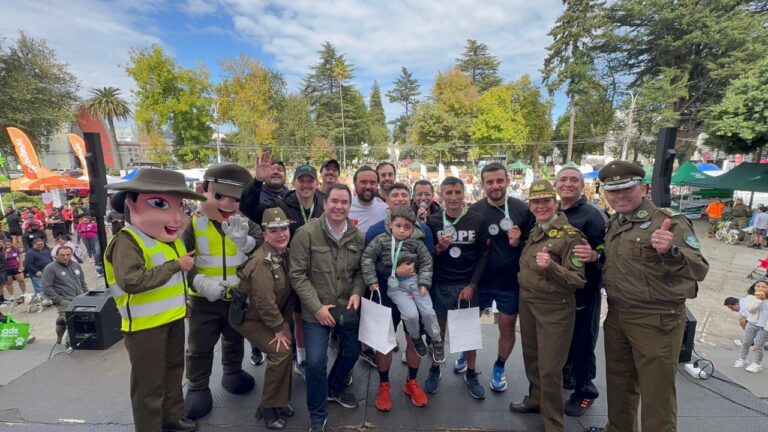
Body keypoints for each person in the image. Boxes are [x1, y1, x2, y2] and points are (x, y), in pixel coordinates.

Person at [586, 161, 709, 432]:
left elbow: (699, 268)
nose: (620, 196)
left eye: (627, 189)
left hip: (656, 321)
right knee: (620, 383)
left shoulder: (668, 221)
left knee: (657, 396)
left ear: (643, 188)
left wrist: (671, 251)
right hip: (618, 314)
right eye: (613, 191)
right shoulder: (616, 222)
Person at [104, 169, 204, 432]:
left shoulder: (168, 238)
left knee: (173, 373)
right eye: (160, 204)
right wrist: (175, 266)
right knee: (149, 383)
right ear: (130, 204)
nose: (175, 216)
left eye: (179, 206)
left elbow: (176, 280)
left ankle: (172, 417)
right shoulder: (127, 241)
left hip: (172, 318)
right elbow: (132, 281)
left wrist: (185, 304)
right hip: (144, 327)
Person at [182, 163, 262, 420]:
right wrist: (200, 282)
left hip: (236, 297)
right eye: (219, 196)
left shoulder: (245, 223)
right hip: (203, 299)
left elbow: (262, 246)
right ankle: (197, 387)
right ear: (204, 191)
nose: (228, 204)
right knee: (200, 346)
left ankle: (232, 371)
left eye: (235, 198)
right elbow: (178, 259)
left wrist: (246, 242)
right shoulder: (192, 224)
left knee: (234, 337)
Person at [509, 179, 586, 432]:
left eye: (546, 201)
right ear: (530, 205)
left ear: (555, 203)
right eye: (536, 202)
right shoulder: (536, 231)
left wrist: (551, 267)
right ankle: (535, 400)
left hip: (555, 307)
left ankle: (553, 422)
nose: (541, 206)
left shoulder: (570, 236)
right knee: (532, 358)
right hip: (528, 303)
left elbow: (577, 279)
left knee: (551, 367)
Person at [288, 183, 364, 432]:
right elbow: (297, 275)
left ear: (349, 206)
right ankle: (318, 414)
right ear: (324, 203)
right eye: (334, 201)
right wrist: (317, 308)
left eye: (344, 202)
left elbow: (360, 272)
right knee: (315, 363)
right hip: (315, 312)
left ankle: (334, 387)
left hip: (343, 309)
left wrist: (356, 292)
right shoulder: (306, 234)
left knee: (352, 352)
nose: (339, 206)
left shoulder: (356, 236)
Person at [241, 153, 325, 374]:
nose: (306, 185)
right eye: (301, 180)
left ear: (317, 184)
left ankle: (312, 354)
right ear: (294, 183)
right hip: (290, 270)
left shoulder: (324, 204)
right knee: (296, 315)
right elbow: (248, 208)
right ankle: (302, 359)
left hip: (317, 271)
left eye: (310, 181)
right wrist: (257, 181)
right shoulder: (280, 204)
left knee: (314, 314)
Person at [364, 183, 436, 411]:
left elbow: (428, 262)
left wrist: (422, 285)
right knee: (383, 343)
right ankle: (384, 385)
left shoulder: (423, 230)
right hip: (385, 294)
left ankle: (411, 382)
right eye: (395, 195)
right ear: (387, 200)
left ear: (410, 200)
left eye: (405, 195)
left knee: (414, 338)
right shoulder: (375, 231)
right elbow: (368, 264)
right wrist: (394, 272)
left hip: (412, 294)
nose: (400, 198)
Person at [468, 162, 534, 393]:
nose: (495, 186)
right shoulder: (474, 210)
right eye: (490, 182)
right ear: (482, 184)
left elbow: (535, 245)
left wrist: (519, 242)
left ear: (507, 181)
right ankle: (468, 362)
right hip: (481, 283)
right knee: (473, 325)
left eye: (499, 181)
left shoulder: (523, 209)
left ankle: (499, 365)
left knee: (506, 328)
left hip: (509, 284)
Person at [231, 208, 297, 430]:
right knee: (281, 352)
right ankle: (267, 408)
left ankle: (280, 402)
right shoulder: (262, 262)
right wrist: (280, 328)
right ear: (265, 233)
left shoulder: (283, 254)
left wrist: (285, 323)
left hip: (268, 317)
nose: (281, 234)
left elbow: (289, 294)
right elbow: (264, 302)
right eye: (274, 230)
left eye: (285, 229)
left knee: (286, 350)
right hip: (249, 319)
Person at [425, 176, 489, 399]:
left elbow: (483, 255)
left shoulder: (476, 219)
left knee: (468, 334)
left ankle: (471, 373)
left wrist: (473, 284)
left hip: (466, 285)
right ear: (441, 195)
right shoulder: (433, 221)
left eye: (457, 192)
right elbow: (426, 256)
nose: (453, 197)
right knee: (438, 333)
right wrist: (438, 248)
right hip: (441, 284)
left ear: (464, 194)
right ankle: (435, 368)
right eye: (448, 193)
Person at [554, 167, 607, 416]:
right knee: (565, 339)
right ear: (556, 184)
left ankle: (585, 391)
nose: (567, 184)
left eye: (573, 180)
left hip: (585, 290)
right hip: (558, 290)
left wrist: (596, 255)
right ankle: (569, 377)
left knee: (583, 341)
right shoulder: (553, 212)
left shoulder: (593, 215)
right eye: (563, 179)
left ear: (582, 185)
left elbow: (611, 251)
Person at [42, 245, 87, 341]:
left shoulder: (76, 265)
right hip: (64, 300)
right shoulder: (50, 268)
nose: (65, 257)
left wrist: (86, 295)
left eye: (68, 254)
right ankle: (70, 344)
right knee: (72, 322)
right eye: (62, 255)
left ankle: (59, 340)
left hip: (79, 298)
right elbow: (46, 287)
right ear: (56, 255)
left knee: (62, 321)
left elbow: (82, 282)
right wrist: (59, 300)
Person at [735, 280, 768, 373]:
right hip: (752, 323)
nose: (760, 288)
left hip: (765, 327)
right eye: (758, 286)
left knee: (758, 344)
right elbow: (751, 310)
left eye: (764, 287)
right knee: (746, 342)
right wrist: (759, 300)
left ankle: (757, 364)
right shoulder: (750, 298)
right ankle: (742, 359)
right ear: (754, 287)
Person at [349, 166, 388, 235]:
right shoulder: (345, 206)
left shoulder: (385, 210)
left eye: (372, 182)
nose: (368, 186)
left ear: (377, 185)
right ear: (355, 184)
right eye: (363, 182)